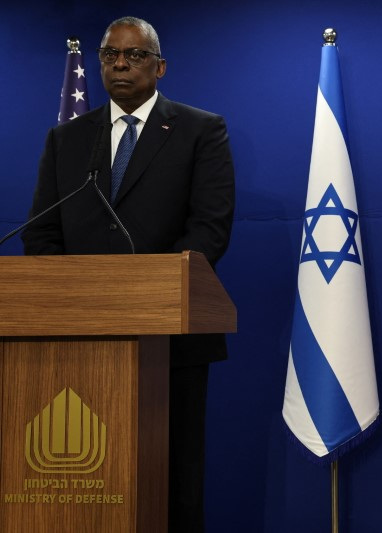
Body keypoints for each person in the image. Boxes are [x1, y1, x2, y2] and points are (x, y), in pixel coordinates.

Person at [22, 16, 235, 532]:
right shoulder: (67, 139)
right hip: (79, 343)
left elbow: (208, 232)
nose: (120, 63)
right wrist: (85, 302)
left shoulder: (200, 131)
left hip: (172, 341)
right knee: (87, 483)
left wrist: (146, 296)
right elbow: (41, 236)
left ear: (159, 67)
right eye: (110, 54)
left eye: (135, 55)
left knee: (171, 482)